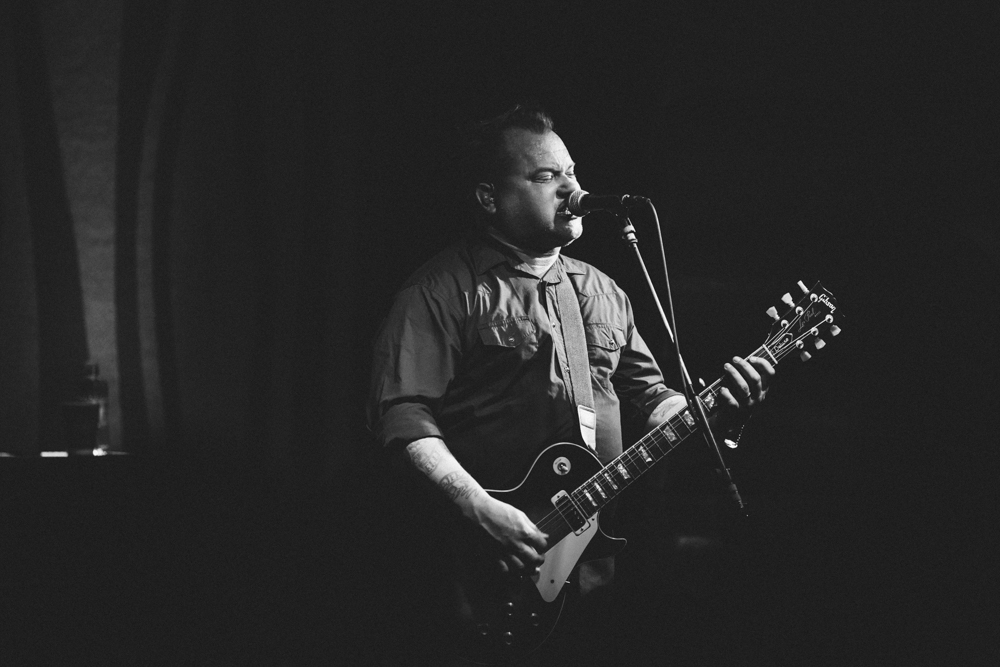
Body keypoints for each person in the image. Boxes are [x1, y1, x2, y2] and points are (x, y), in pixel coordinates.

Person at [366, 103, 773, 665]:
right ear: (489, 197)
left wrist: (716, 409)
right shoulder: (440, 290)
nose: (571, 189)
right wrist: (481, 510)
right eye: (545, 176)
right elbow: (403, 415)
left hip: (598, 573)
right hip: (485, 570)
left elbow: (653, 400)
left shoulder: (605, 291)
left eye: (573, 173)